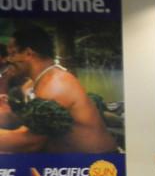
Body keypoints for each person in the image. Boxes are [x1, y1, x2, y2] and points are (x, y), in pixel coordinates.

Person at [0, 25, 117, 153]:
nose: (7, 60)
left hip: (96, 163)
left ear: (28, 53)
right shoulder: (36, 82)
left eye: (12, 54)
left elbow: (29, 143)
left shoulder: (54, 85)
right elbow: (29, 121)